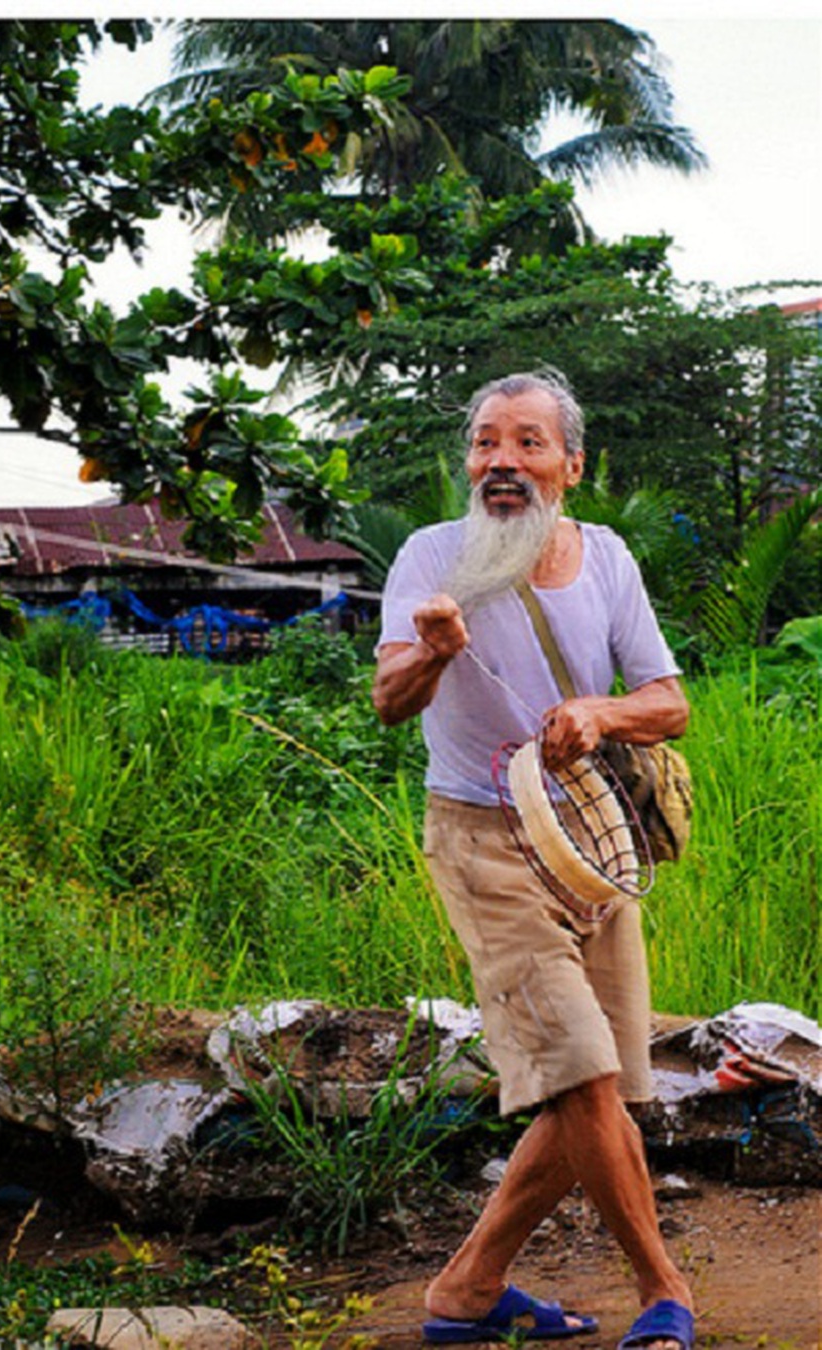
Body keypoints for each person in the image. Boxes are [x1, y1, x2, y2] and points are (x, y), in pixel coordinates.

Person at [372, 370, 695, 1350]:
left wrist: (599, 712)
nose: (501, 462)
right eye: (484, 443)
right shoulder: (431, 558)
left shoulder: (606, 559)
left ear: (571, 467)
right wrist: (430, 650)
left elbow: (668, 701)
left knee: (597, 1085)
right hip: (482, 841)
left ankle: (467, 1289)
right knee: (587, 1080)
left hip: (593, 845)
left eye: (527, 443)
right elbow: (390, 699)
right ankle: (665, 1294)